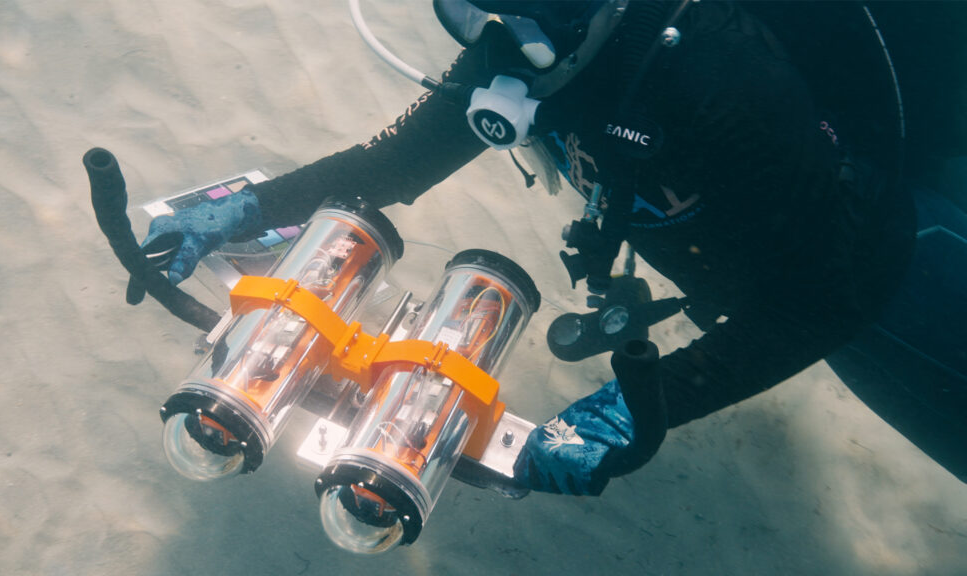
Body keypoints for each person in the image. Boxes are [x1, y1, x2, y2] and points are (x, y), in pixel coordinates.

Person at [141, 0, 916, 495]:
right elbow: (396, 164)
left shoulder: (724, 84)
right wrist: (241, 210)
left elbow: (833, 299)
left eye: (525, 17)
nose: (499, 45)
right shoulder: (515, 41)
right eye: (471, 11)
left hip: (840, 265)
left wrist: (643, 405)